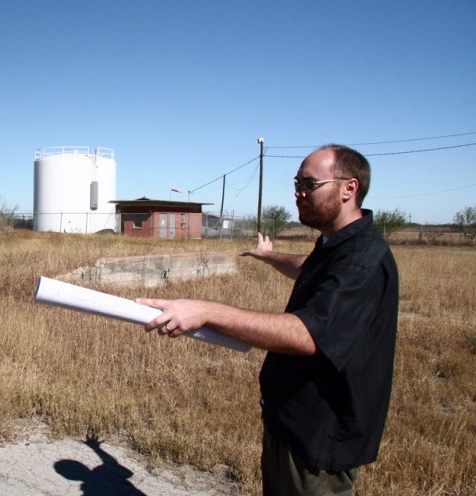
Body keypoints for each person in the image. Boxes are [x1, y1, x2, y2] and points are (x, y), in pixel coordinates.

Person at [138, 144, 398, 496]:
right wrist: (269, 256)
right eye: (297, 182)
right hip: (292, 424)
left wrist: (207, 311)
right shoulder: (336, 245)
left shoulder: (362, 260)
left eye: (309, 184)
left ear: (348, 189)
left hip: (319, 439)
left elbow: (307, 335)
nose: (297, 192)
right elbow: (308, 269)